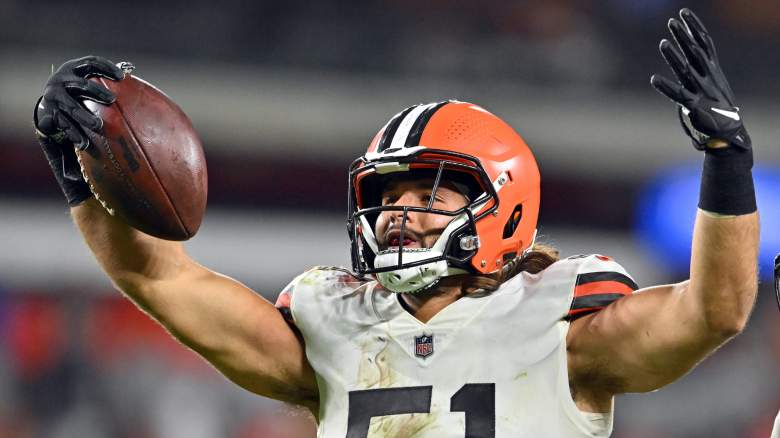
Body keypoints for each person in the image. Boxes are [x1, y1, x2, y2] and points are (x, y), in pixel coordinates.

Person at [32, 9, 758, 437]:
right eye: (387, 195)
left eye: (432, 194)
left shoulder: (561, 318)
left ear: (503, 204)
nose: (400, 214)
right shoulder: (330, 319)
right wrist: (82, 168)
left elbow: (714, 310)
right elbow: (153, 273)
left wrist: (726, 163)